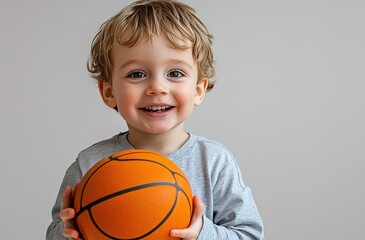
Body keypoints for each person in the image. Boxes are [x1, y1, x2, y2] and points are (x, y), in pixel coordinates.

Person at [45, 0, 264, 239]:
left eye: (175, 73)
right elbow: (54, 233)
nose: (157, 87)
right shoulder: (89, 164)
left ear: (199, 90)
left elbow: (250, 235)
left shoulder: (214, 162)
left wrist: (202, 231)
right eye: (137, 74)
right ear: (108, 92)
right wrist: (72, 230)